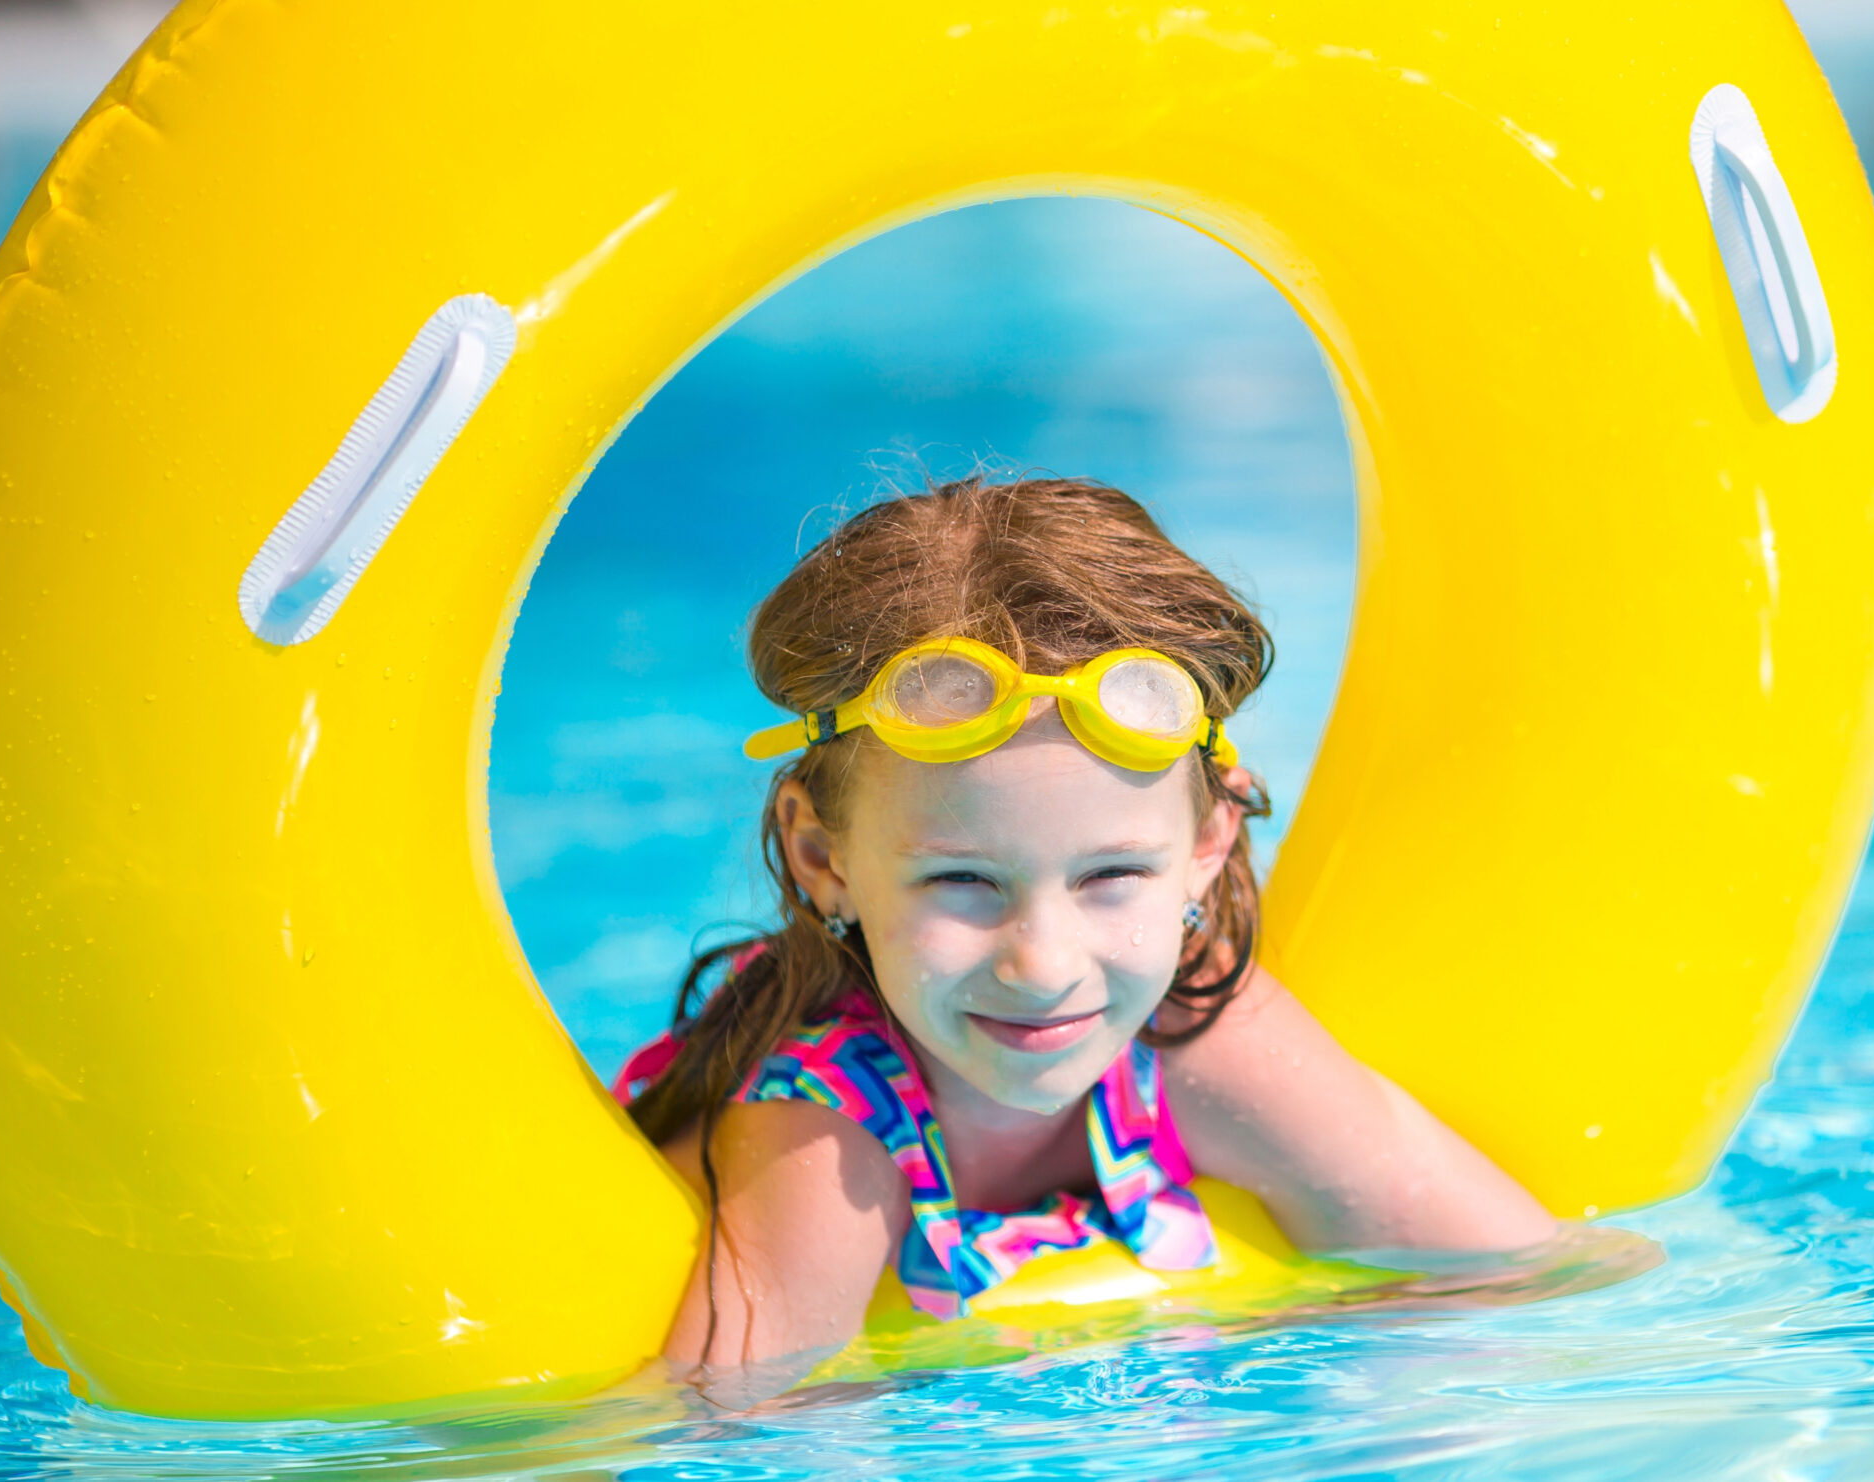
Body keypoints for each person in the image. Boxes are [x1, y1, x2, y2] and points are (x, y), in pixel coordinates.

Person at [616, 474, 1559, 1374]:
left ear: (1206, 844)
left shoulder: (1195, 1032)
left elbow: (1512, 1274)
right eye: (963, 881)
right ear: (825, 860)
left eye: (1110, 874)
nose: (1043, 964)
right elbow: (737, 1441)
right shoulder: (822, 1141)